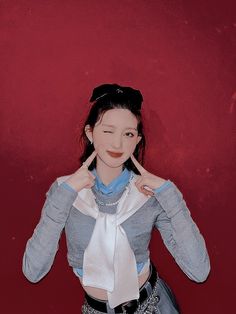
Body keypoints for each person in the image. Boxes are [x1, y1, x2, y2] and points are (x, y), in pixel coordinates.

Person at [22, 83, 210, 313]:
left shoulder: (150, 194)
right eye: (108, 131)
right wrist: (66, 195)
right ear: (90, 133)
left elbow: (199, 271)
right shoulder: (65, 190)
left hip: (153, 306)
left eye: (128, 133)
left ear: (137, 140)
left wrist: (170, 195)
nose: (118, 143)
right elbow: (33, 271)